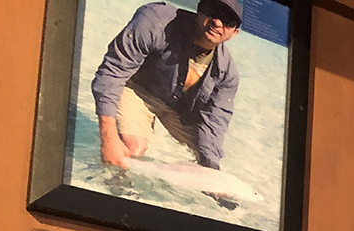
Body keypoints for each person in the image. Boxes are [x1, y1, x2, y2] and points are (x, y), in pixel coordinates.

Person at [92, 0, 243, 171]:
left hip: (181, 110)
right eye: (212, 11)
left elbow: (214, 122)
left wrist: (211, 170)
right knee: (134, 147)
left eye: (227, 21)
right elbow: (112, 72)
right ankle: (115, 186)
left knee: (208, 158)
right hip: (139, 91)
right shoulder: (155, 21)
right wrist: (108, 137)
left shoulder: (228, 74)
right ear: (199, 10)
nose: (217, 22)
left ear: (234, 32)